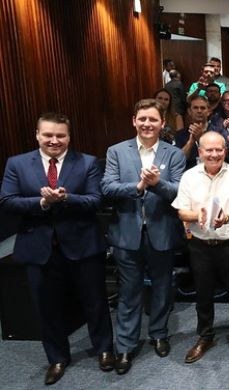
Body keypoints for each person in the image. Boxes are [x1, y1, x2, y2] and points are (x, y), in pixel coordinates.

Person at [0, 113, 114, 385]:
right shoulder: (16, 164)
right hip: (38, 247)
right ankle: (57, 357)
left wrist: (66, 198)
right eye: (48, 135)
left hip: (83, 246)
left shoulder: (86, 162)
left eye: (60, 136)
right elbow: (7, 200)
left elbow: (95, 200)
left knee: (95, 302)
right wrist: (41, 203)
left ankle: (104, 349)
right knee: (46, 307)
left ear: (69, 137)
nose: (54, 140)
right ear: (37, 135)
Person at [101, 99, 186, 375]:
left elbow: (177, 193)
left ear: (163, 123)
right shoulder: (116, 151)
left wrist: (156, 184)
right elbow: (108, 188)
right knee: (129, 291)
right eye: (142, 119)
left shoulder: (174, 155)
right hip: (127, 233)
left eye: (153, 119)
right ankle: (125, 345)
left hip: (161, 231)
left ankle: (159, 333)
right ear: (134, 121)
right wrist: (139, 186)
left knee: (162, 287)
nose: (147, 124)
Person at [172, 131, 229, 364]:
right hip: (200, 245)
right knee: (203, 294)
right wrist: (198, 215)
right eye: (209, 150)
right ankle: (205, 336)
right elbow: (181, 211)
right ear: (200, 152)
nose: (215, 154)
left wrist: (226, 218)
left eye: (219, 149)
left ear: (225, 151)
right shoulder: (188, 176)